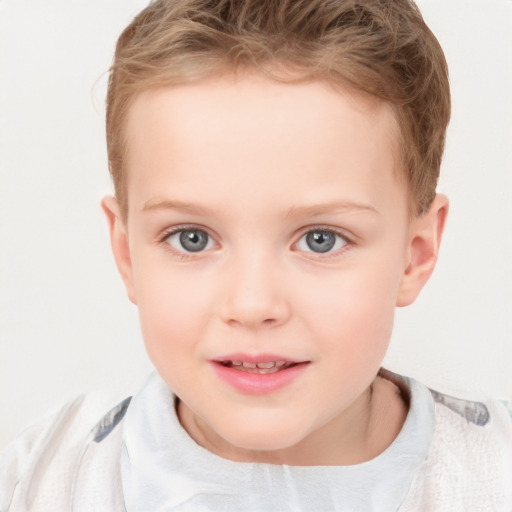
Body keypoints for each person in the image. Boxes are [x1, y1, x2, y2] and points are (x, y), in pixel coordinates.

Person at [1, 0, 511, 510]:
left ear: (414, 255)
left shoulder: (494, 478)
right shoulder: (42, 482)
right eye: (191, 238)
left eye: (320, 239)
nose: (251, 304)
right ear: (127, 253)